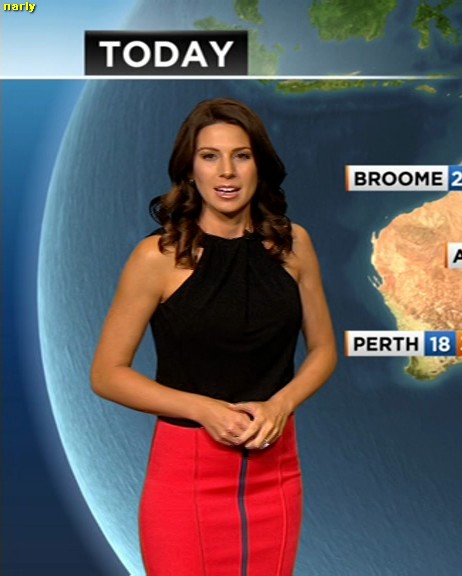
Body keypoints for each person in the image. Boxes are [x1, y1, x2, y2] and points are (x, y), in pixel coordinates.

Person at [91, 98, 337, 575]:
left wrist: (281, 405)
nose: (227, 171)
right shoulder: (157, 258)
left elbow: (324, 350)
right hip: (187, 480)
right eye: (210, 156)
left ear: (259, 165)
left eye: (241, 155)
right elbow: (107, 374)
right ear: (190, 170)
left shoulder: (294, 246)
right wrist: (204, 409)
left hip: (276, 474)